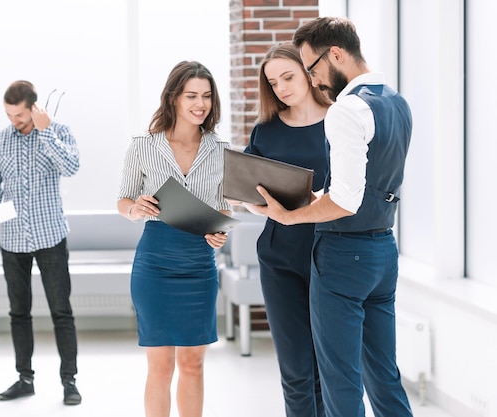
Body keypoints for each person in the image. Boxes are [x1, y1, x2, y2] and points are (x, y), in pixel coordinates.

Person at [249, 17, 414, 417]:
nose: (313, 79)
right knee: (383, 376)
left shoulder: (345, 110)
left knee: (340, 383)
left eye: (311, 68)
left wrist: (289, 216)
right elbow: (366, 184)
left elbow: (345, 199)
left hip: (342, 256)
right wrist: (311, 196)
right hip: (382, 250)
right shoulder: (396, 101)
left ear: (335, 54)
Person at [117, 61, 231, 417]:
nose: (201, 104)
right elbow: (123, 199)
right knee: (161, 365)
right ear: (174, 98)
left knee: (194, 363)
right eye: (192, 96)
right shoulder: (143, 146)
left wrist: (220, 235)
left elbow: (222, 210)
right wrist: (135, 209)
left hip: (198, 264)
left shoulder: (221, 150)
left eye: (207, 97)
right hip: (155, 262)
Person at [239, 42, 330, 417]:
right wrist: (253, 202)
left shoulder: (340, 120)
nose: (281, 88)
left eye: (288, 76)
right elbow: (243, 184)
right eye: (273, 82)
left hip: (330, 255)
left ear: (308, 72)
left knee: (331, 368)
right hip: (279, 258)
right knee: (294, 370)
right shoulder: (267, 130)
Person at [0, 80, 82, 406]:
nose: (14, 121)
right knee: (18, 313)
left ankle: (69, 381)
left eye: (20, 115)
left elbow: (72, 167)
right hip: (11, 240)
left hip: (50, 236)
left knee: (61, 312)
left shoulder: (58, 132)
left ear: (35, 108)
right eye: (9, 115)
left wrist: (45, 130)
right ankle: (25, 378)